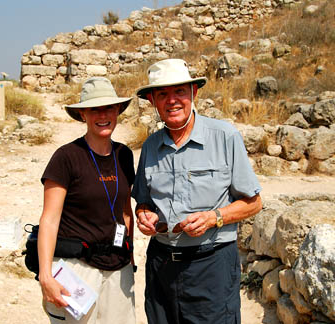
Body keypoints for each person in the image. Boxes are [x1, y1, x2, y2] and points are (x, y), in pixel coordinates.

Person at [132, 59, 262, 324]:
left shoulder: (225, 136)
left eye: (180, 91)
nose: (172, 101)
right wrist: (143, 215)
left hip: (211, 267)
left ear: (194, 93)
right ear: (152, 102)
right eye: (162, 94)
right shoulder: (150, 146)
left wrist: (214, 217)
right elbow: (144, 202)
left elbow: (254, 202)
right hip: (161, 267)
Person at [37, 77, 136, 324]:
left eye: (108, 108)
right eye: (95, 109)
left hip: (118, 267)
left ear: (118, 111)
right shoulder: (66, 157)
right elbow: (49, 219)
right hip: (78, 270)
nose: (103, 115)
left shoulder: (124, 155)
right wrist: (46, 276)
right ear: (83, 114)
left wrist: (130, 256)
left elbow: (125, 211)